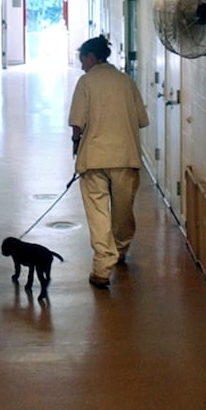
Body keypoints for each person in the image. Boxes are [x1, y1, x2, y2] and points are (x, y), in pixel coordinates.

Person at [68, 35, 149, 289]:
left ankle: (102, 266)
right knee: (123, 210)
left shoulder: (86, 82)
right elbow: (141, 119)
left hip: (93, 159)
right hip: (125, 157)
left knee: (98, 213)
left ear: (91, 57)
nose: (82, 66)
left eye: (83, 61)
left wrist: (76, 142)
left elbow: (76, 124)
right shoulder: (126, 82)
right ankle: (121, 249)